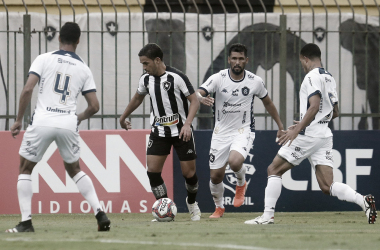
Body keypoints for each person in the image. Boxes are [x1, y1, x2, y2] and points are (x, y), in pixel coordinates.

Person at [245, 43, 377, 225]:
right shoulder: (329, 77)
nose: (302, 65)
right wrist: (308, 122)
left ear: (305, 58)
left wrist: (298, 129)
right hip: (323, 135)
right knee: (326, 185)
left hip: (308, 135)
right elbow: (335, 112)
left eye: (302, 62)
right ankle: (363, 201)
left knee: (273, 170)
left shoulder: (310, 77)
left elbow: (314, 106)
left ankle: (267, 217)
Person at [6, 22, 111, 233]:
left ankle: (26, 222)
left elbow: (28, 90)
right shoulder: (83, 68)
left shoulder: (44, 58)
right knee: (75, 170)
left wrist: (18, 120)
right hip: (67, 123)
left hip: (43, 121)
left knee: (26, 168)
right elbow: (94, 106)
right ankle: (99, 212)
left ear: (59, 38)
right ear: (78, 40)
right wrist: (77, 118)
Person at [197, 43, 284, 218]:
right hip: (221, 132)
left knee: (235, 162)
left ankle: (241, 181)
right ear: (229, 60)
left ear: (246, 60)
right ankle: (219, 208)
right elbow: (198, 92)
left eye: (241, 59)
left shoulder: (255, 81)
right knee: (215, 176)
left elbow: (268, 103)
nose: (237, 62)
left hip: (243, 130)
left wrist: (280, 126)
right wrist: (201, 98)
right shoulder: (218, 78)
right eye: (234, 58)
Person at [119, 43, 201, 221]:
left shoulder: (177, 77)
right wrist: (123, 116)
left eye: (146, 63)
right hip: (159, 132)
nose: (144, 67)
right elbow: (138, 97)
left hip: (181, 132)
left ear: (157, 60)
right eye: (142, 64)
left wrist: (187, 124)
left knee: (189, 174)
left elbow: (194, 101)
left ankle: (192, 203)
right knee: (152, 172)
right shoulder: (145, 79)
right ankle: (164, 209)